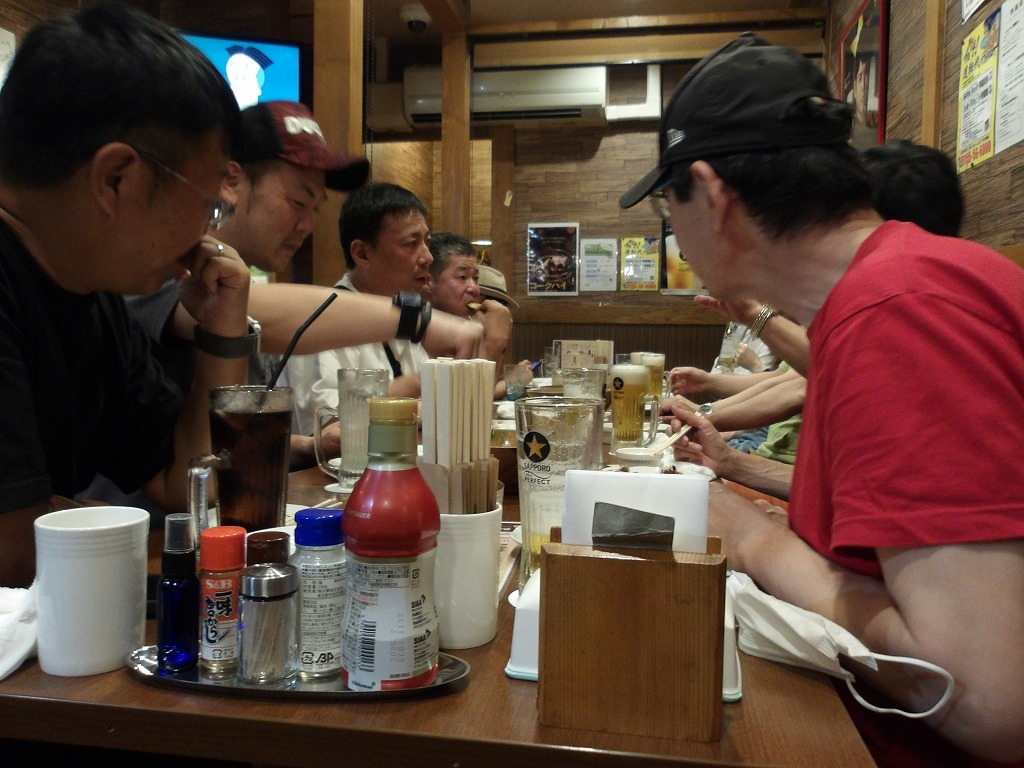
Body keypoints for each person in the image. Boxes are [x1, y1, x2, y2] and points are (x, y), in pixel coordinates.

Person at [620, 32, 1024, 768]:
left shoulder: (900, 312)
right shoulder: (888, 290)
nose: (673, 236)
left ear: (711, 193)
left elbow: (985, 700)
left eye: (665, 207)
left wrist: (752, 538)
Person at [0, 3, 252, 588]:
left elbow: (187, 486)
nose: (208, 232)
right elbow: (11, 552)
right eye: (208, 205)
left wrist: (222, 334)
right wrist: (86, 522)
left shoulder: (87, 286)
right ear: (117, 178)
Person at [285, 182, 435, 434]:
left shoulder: (402, 313)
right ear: (362, 253)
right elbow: (326, 428)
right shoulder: (322, 320)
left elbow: (433, 401)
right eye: (412, 244)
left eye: (427, 242)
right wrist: (415, 387)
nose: (428, 257)